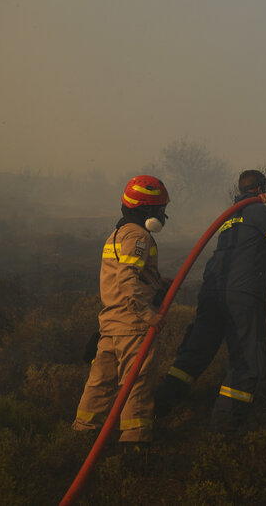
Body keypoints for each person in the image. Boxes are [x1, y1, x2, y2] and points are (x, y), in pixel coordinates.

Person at [154, 169, 266, 434]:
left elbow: (264, 240)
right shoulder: (258, 210)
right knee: (247, 361)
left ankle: (154, 410)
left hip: (213, 293)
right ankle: (223, 434)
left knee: (193, 356)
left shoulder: (233, 214)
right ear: (259, 189)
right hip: (242, 297)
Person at [72, 175, 172, 452]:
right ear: (148, 211)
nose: (163, 215)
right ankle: (134, 446)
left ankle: (80, 439)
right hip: (132, 326)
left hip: (110, 325)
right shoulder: (139, 236)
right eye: (160, 209)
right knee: (136, 385)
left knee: (99, 386)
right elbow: (128, 281)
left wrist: (156, 282)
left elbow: (123, 277)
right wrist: (149, 315)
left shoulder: (117, 234)